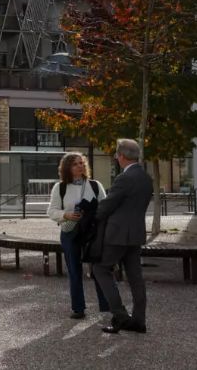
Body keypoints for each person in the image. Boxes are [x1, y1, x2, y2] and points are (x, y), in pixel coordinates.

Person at [93, 138, 153, 334]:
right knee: (136, 277)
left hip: (117, 234)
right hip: (136, 234)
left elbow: (107, 205)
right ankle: (139, 320)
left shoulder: (124, 178)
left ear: (122, 156)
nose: (116, 158)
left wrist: (90, 217)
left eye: (117, 154)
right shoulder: (145, 177)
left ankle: (120, 315)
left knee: (100, 269)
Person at [46, 152, 108, 319]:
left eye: (81, 163)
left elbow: (105, 207)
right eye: (75, 164)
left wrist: (94, 214)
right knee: (74, 270)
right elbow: (51, 211)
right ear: (67, 168)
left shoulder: (95, 185)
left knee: (98, 270)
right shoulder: (60, 188)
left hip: (92, 233)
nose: (80, 166)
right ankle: (78, 308)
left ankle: (106, 306)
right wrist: (66, 215)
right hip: (70, 232)